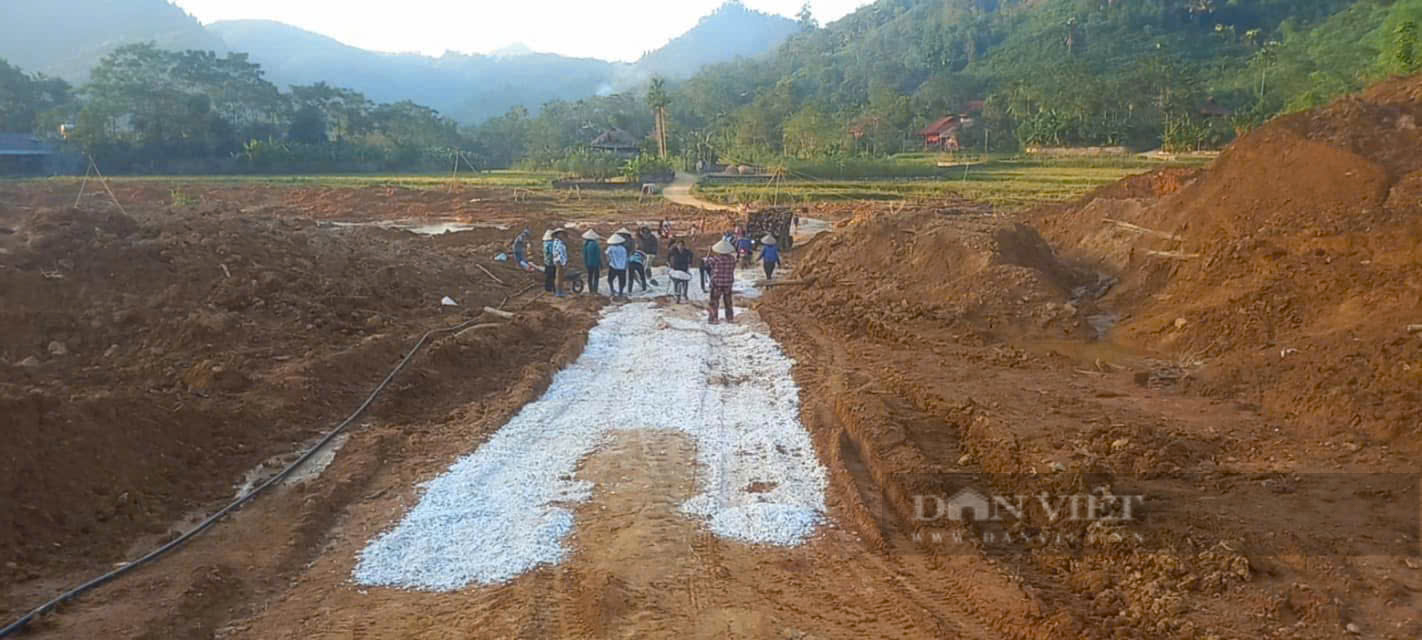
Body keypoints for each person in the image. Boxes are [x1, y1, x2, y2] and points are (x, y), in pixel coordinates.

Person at [705, 238, 737, 324]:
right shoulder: (732, 259)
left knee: (714, 301)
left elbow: (707, 263)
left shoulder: (715, 259)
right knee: (728, 301)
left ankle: (713, 318)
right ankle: (730, 318)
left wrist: (709, 253)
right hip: (728, 283)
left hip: (717, 283)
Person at [667, 239, 694, 303]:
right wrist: (668, 262)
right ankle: (676, 293)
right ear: (677, 245)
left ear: (684, 246)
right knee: (676, 280)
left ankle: (685, 294)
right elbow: (669, 255)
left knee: (685, 281)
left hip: (684, 268)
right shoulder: (674, 250)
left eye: (682, 245)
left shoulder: (687, 251)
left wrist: (690, 262)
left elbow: (691, 255)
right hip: (676, 267)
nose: (680, 247)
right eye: (679, 245)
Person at [605, 234, 629, 298]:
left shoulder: (610, 248)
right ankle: (620, 292)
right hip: (622, 267)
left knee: (610, 279)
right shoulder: (623, 248)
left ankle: (612, 290)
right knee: (621, 280)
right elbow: (626, 258)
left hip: (613, 266)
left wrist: (608, 261)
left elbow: (606, 255)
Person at [547, 229, 569, 297]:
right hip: (559, 261)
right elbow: (558, 253)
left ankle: (560, 291)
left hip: (561, 261)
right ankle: (558, 292)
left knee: (560, 277)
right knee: (558, 277)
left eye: (562, 234)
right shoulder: (557, 242)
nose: (562, 235)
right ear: (557, 235)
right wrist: (561, 262)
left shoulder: (560, 242)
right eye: (560, 234)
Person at [582, 230, 602, 295]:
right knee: (596, 277)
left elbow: (584, 256)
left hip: (588, 263)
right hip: (595, 264)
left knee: (590, 277)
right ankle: (595, 290)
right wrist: (601, 264)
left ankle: (590, 290)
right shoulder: (596, 244)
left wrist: (585, 264)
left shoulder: (585, 245)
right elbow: (598, 255)